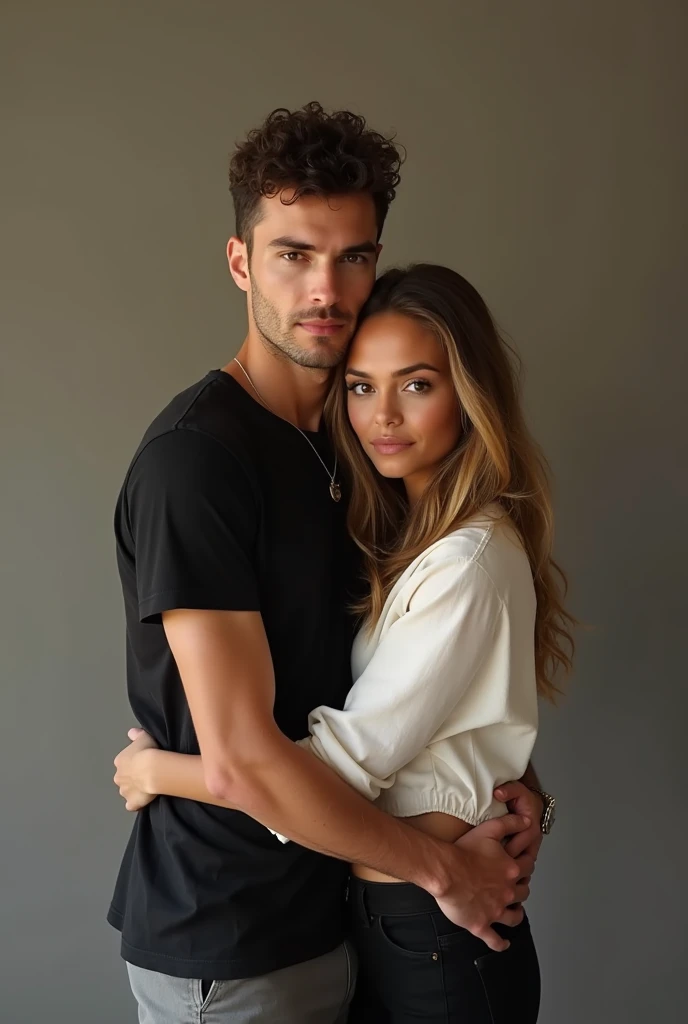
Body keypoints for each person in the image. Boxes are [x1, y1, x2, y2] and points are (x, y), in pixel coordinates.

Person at [109, 102, 548, 1024]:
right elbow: (242, 764)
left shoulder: (354, 457)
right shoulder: (198, 463)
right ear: (240, 263)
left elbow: (421, 692)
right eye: (293, 253)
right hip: (231, 935)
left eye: (353, 255)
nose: (326, 288)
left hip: (341, 917)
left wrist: (517, 801)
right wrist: (450, 869)